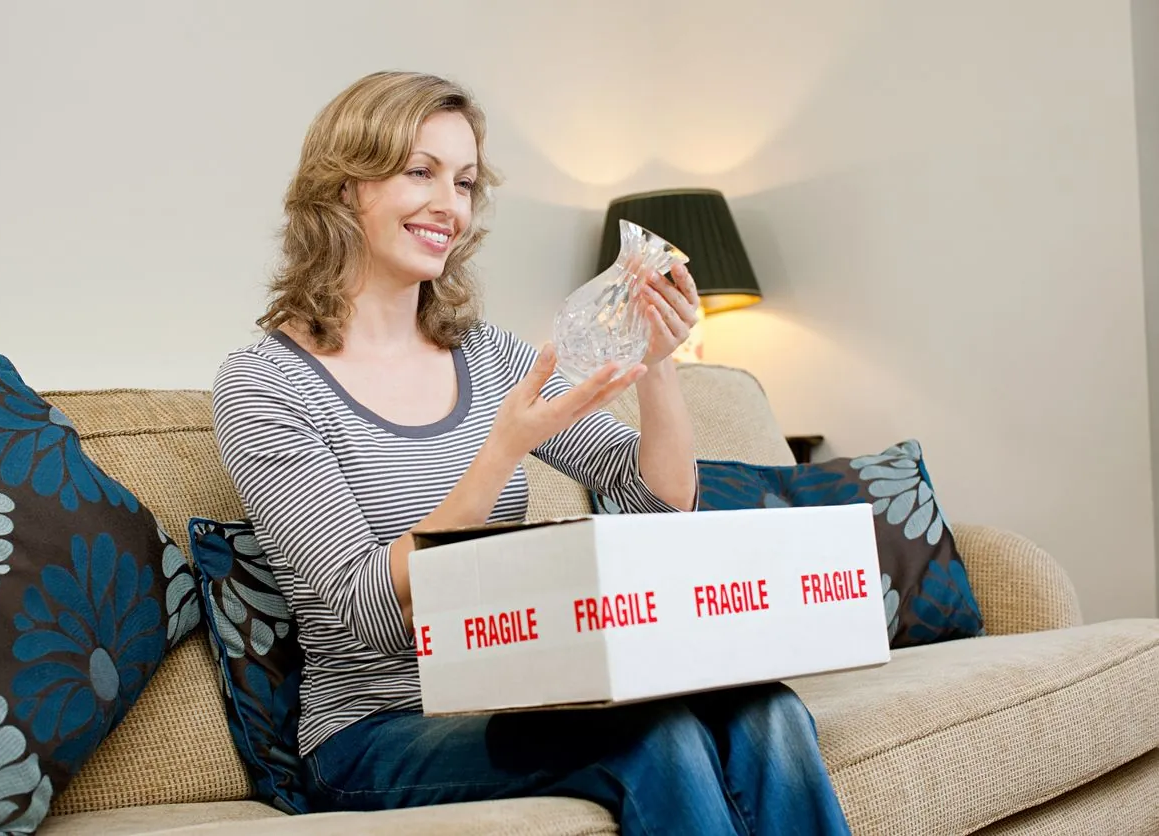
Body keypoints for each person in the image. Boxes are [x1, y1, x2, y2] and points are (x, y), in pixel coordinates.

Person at [212, 70, 851, 835]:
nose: (449, 204)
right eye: (419, 171)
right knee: (659, 740)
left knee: (766, 710)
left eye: (465, 180)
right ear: (345, 187)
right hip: (371, 733)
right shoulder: (267, 384)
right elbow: (367, 610)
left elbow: (658, 500)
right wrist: (499, 453)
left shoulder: (487, 356)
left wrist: (656, 365)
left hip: (516, 692)